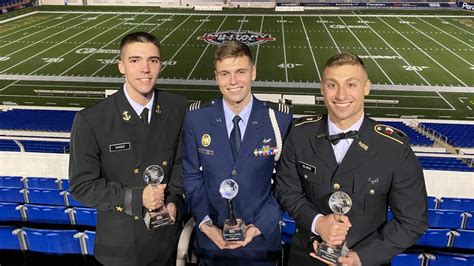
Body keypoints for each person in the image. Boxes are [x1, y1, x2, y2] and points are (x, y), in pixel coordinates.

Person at [274, 52, 428, 266]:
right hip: (307, 257)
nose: (341, 94)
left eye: (351, 84)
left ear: (367, 87)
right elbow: (286, 189)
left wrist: (361, 257)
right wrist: (317, 223)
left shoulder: (393, 147)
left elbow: (412, 221)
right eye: (332, 85)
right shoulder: (301, 133)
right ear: (322, 88)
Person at [69, 32, 187, 266]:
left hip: (166, 241)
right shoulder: (92, 119)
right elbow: (82, 186)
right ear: (121, 66)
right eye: (135, 60)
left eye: (153, 60)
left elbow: (181, 163)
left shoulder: (178, 107)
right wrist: (135, 197)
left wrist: (174, 199)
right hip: (120, 248)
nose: (145, 69)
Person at [182, 40, 293, 265]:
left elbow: (286, 186)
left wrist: (258, 227)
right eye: (225, 73)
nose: (233, 81)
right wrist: (206, 225)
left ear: (253, 72)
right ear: (216, 77)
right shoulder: (196, 118)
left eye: (240, 72)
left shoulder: (278, 120)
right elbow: (191, 178)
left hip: (260, 246)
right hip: (211, 246)